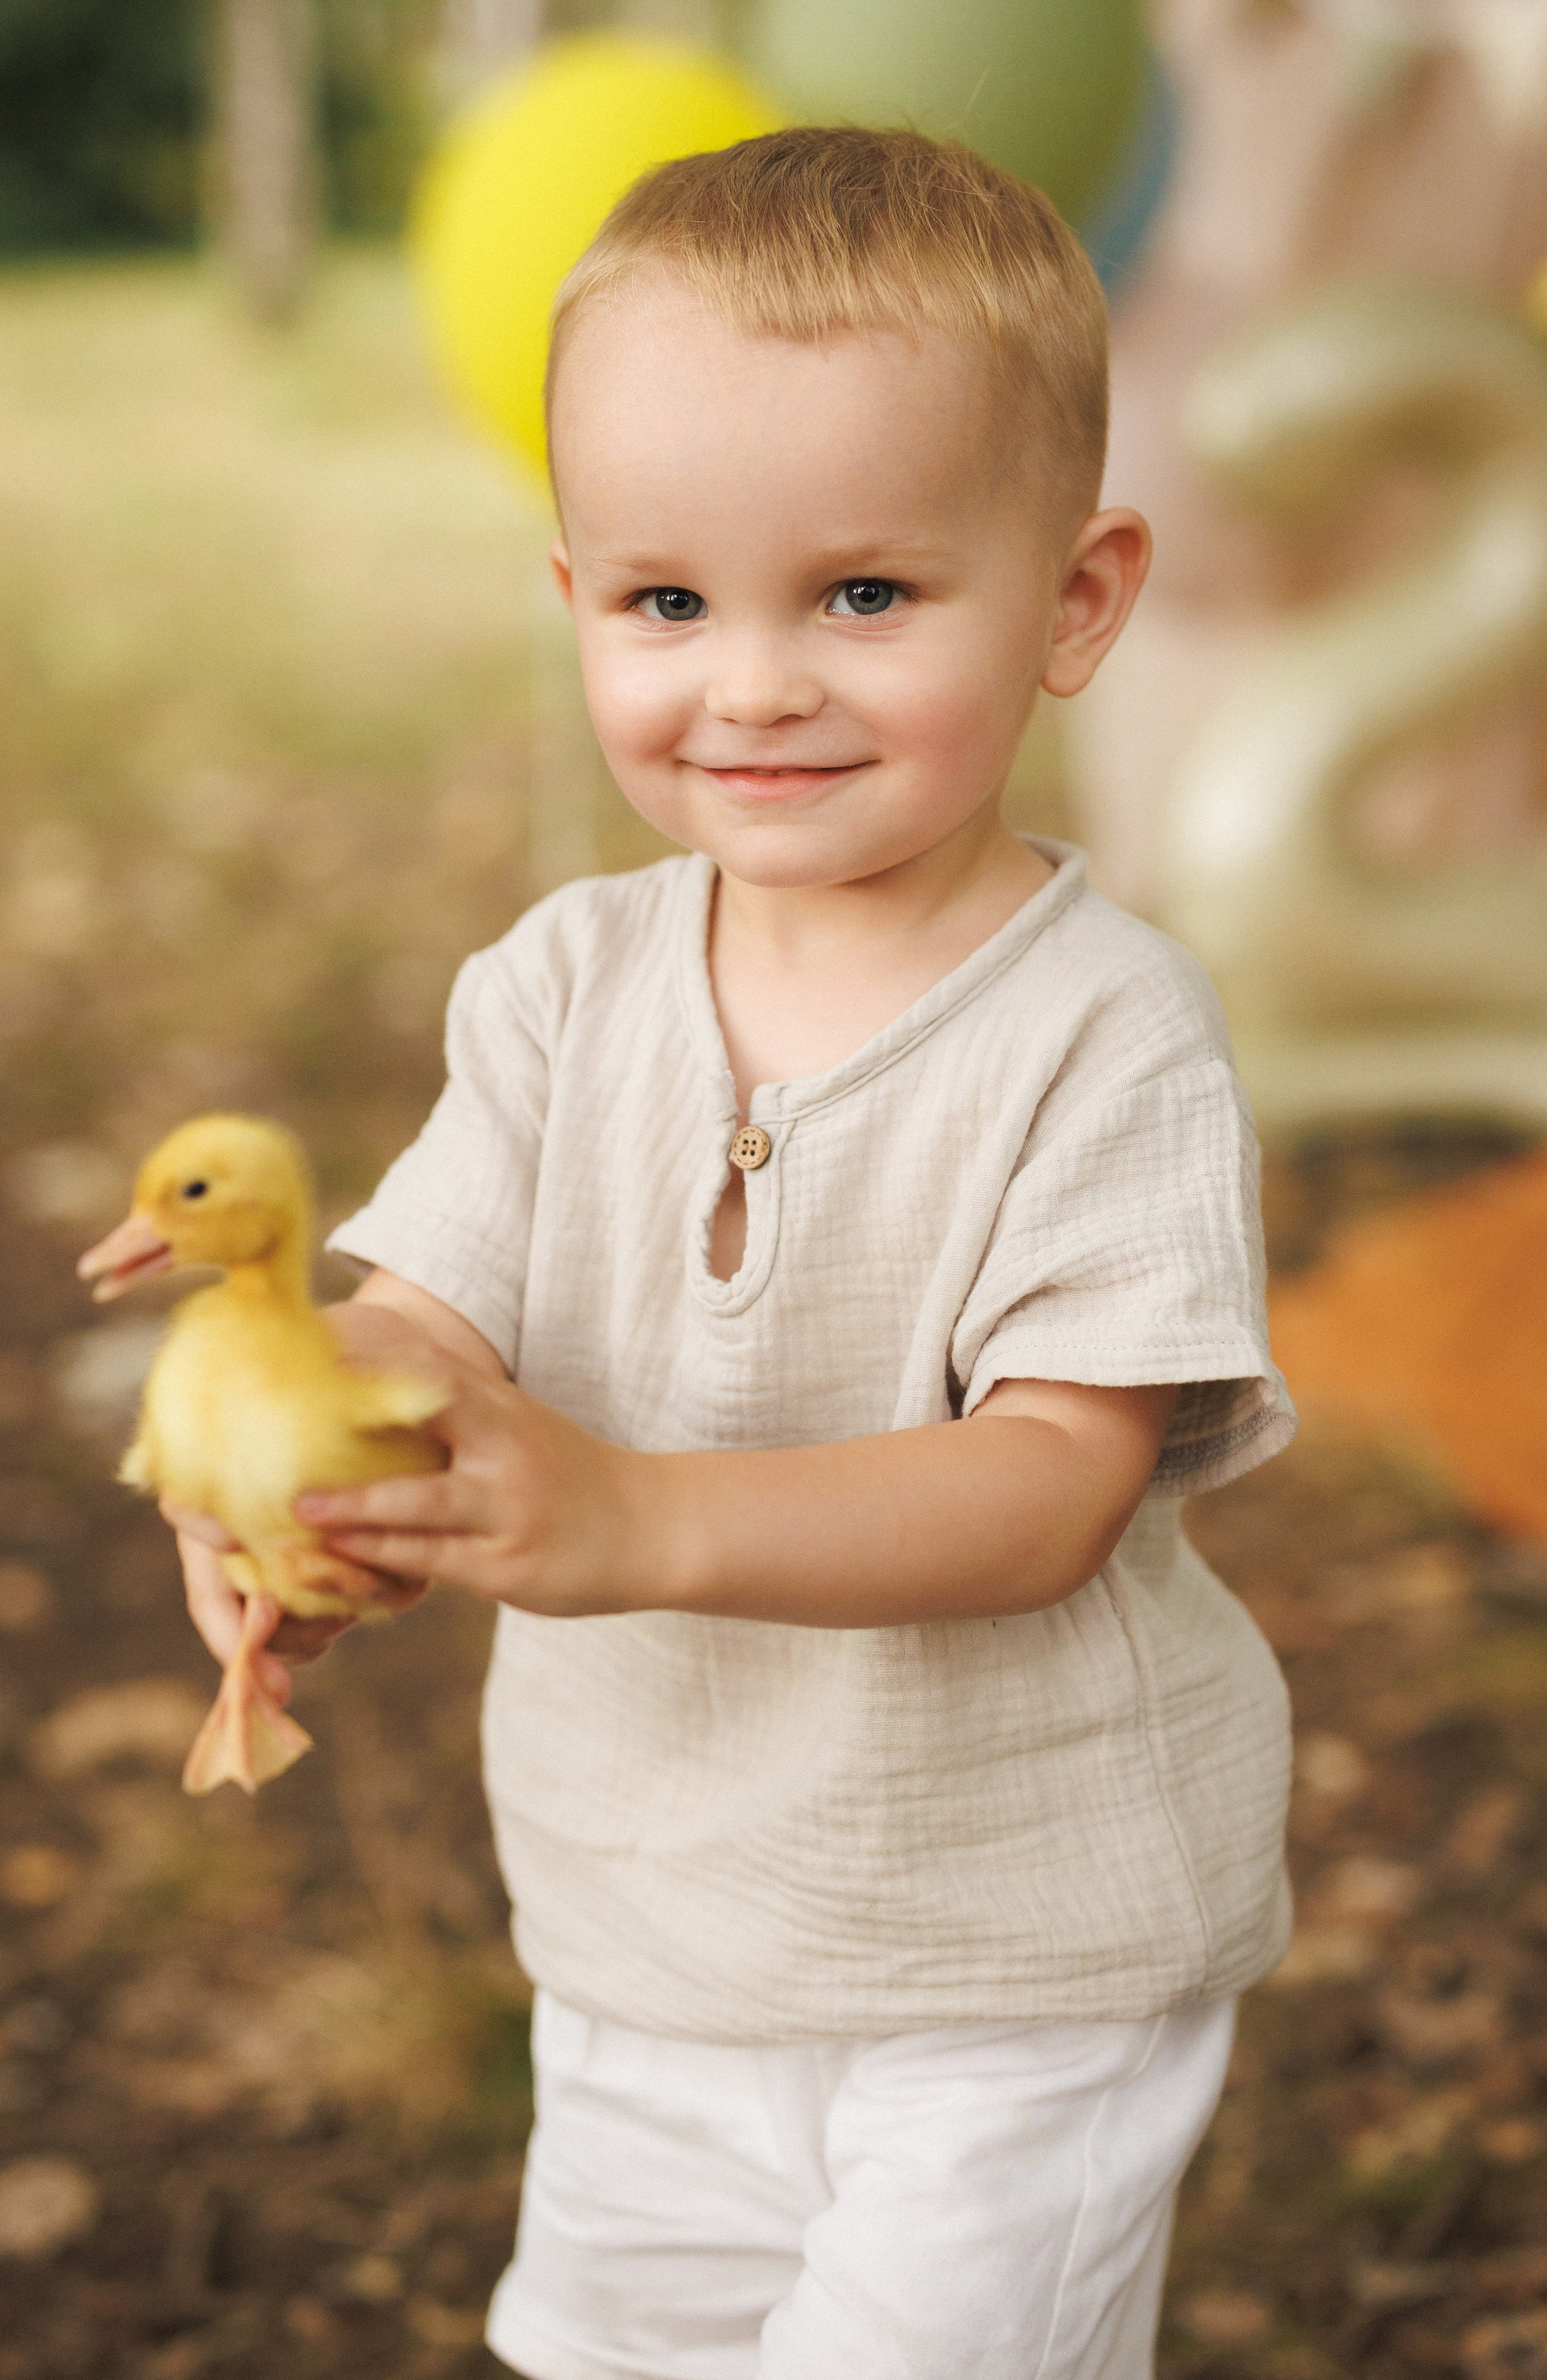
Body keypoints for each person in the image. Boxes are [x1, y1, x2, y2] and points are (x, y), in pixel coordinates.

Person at [169, 126, 1296, 2380]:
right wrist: (323, 1464)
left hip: (1014, 1964)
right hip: (647, 1930)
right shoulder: (561, 987)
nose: (756, 684)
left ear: (1076, 600)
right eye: (669, 604)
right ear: (576, 594)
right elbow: (433, 1309)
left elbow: (1053, 1482)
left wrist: (635, 1513)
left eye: (865, 596)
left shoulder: (1106, 1034)